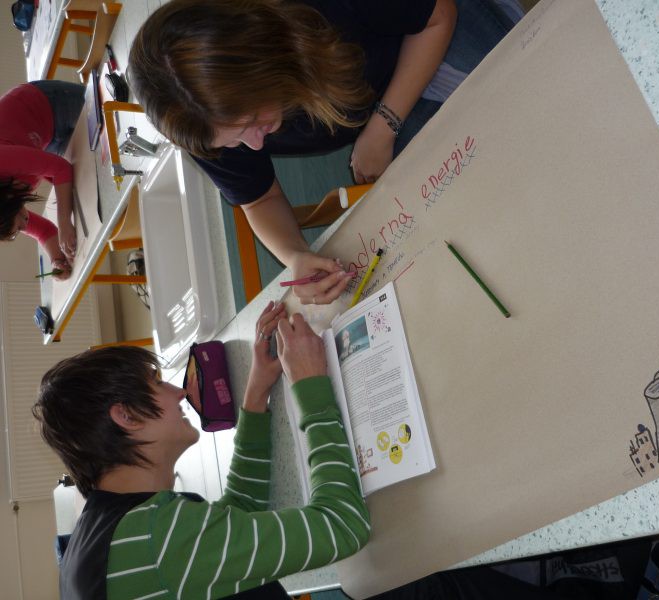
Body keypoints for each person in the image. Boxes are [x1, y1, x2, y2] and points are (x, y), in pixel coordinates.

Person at [127, 0, 519, 305]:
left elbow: (438, 17)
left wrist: (383, 127)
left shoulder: (321, 8)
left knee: (519, 101)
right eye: (233, 142)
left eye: (253, 121)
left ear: (262, 63)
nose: (256, 145)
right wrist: (295, 256)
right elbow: (259, 199)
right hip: (374, 104)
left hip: (425, 34)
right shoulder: (200, 119)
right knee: (474, 198)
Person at [33, 300, 370, 599]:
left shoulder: (99, 540)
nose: (179, 393)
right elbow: (343, 524)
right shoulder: (161, 540)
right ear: (126, 416)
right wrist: (310, 385)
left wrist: (256, 392)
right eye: (157, 383)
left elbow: (235, 516)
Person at [0, 80, 85, 278]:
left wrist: (64, 221)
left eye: (18, 228)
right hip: (44, 138)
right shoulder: (7, 207)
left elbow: (60, 169)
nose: (24, 228)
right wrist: (57, 260)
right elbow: (43, 231)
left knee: (114, 110)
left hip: (46, 102)